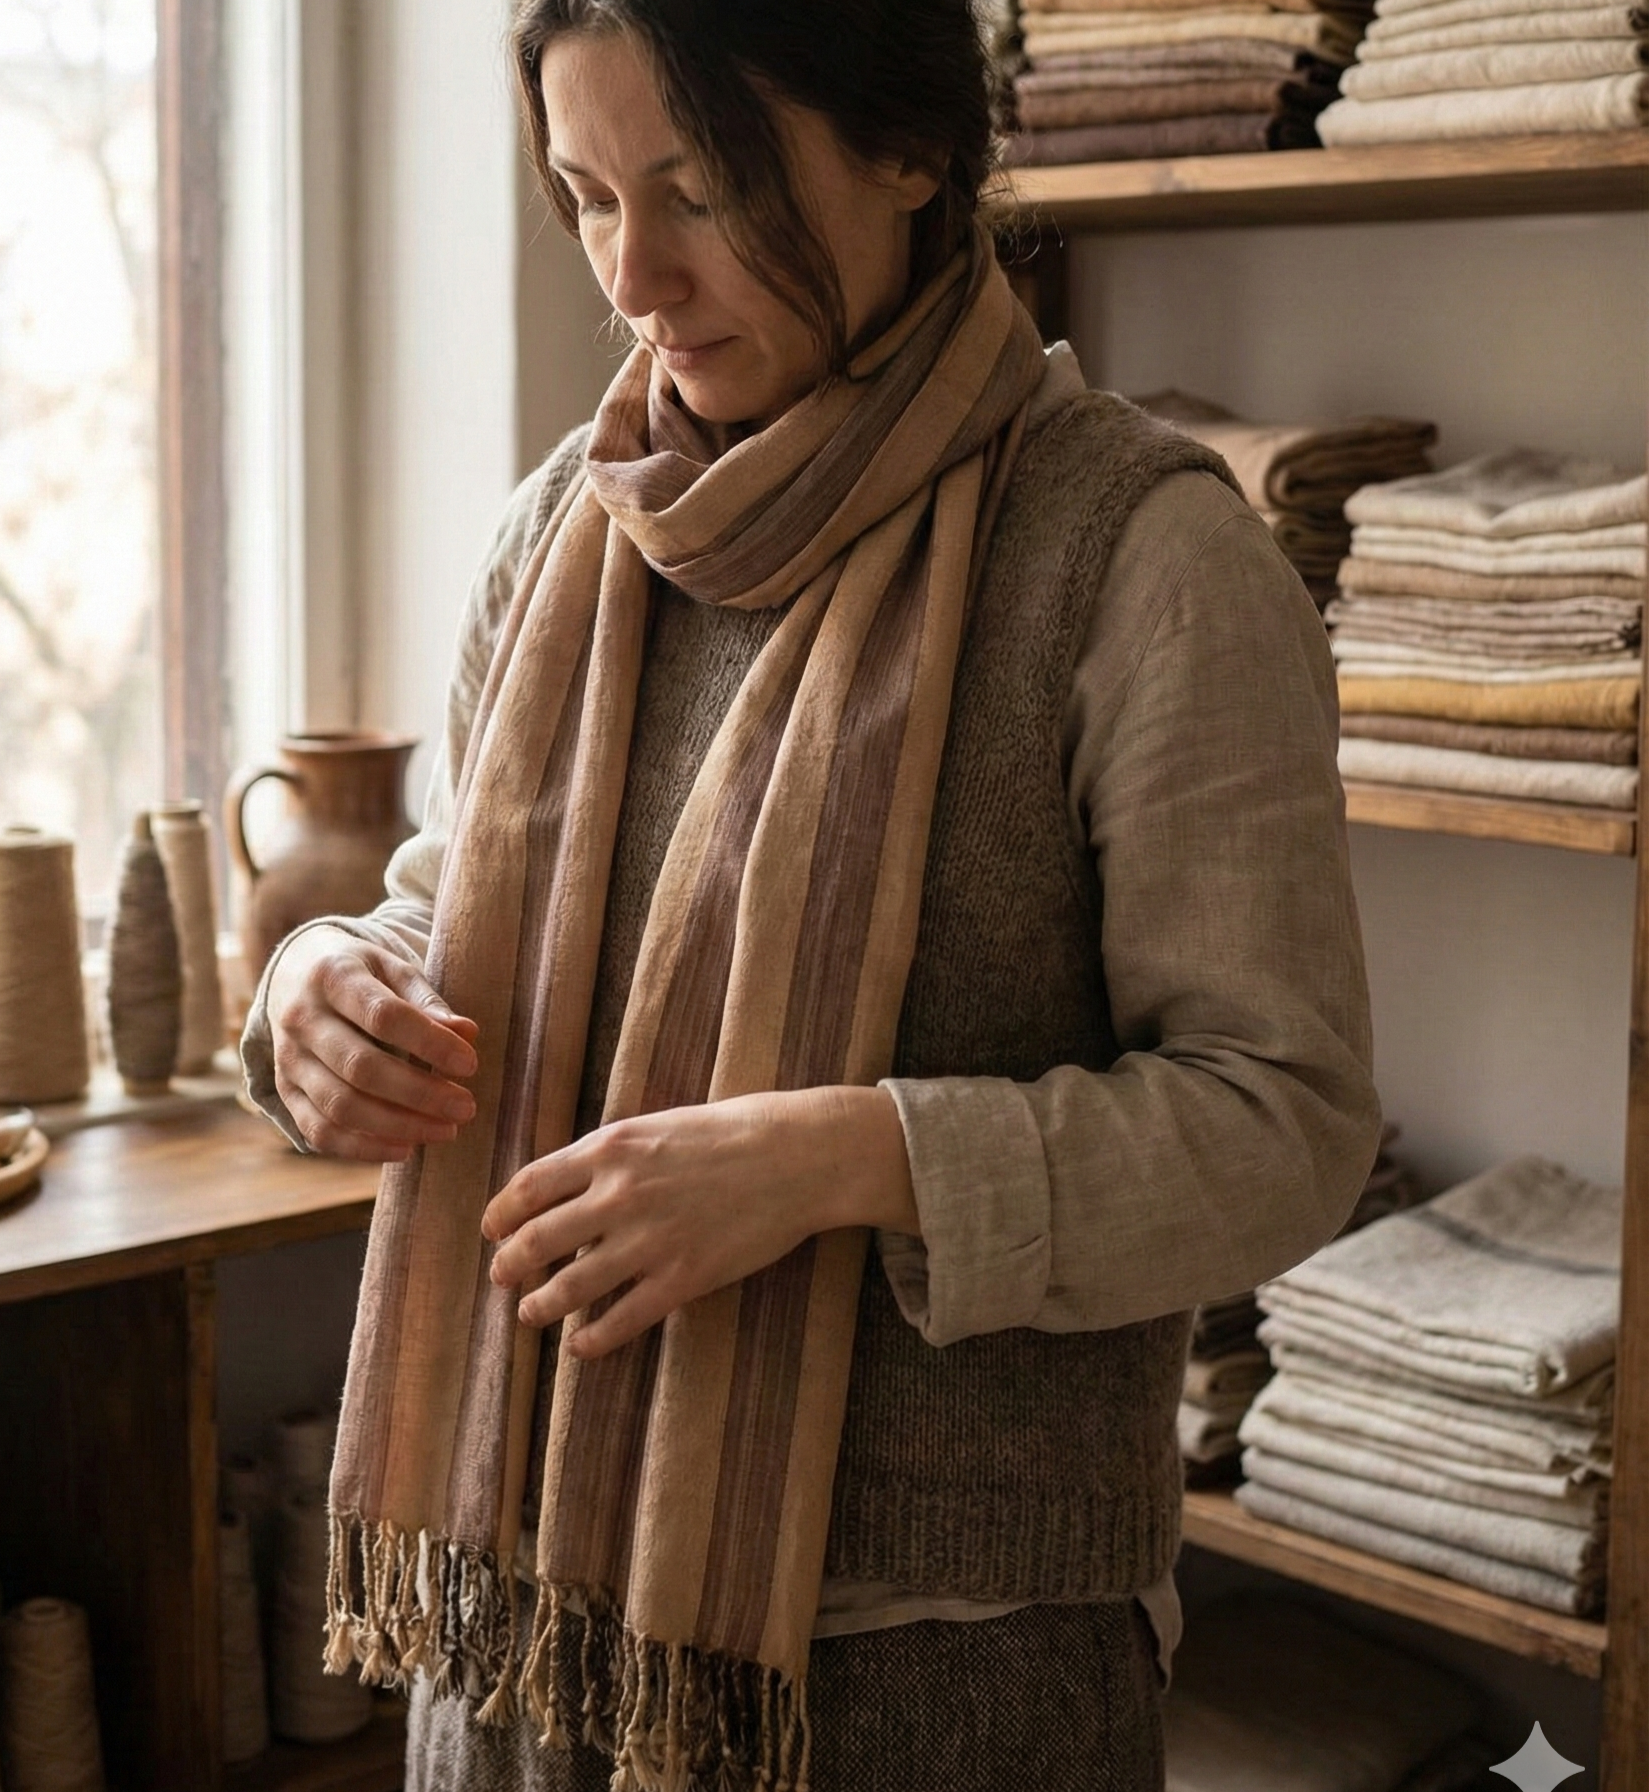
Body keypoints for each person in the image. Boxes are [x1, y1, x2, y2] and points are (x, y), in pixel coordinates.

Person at [242, 3, 1381, 1787]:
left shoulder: (1146, 561)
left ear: (912, 153)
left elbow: (1284, 1128)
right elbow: (443, 911)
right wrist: (323, 985)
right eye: (587, 194)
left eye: (700, 191)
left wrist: (848, 1162)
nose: (635, 276)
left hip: (937, 1697)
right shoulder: (567, 532)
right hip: (527, 1656)